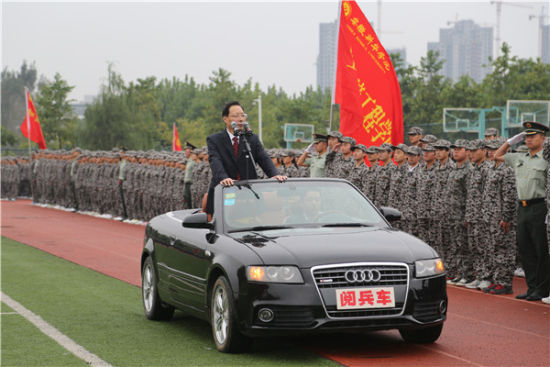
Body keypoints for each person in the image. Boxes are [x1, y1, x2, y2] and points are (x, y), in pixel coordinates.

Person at [495, 121, 549, 301]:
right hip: (522, 208)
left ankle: (542, 289)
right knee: (525, 249)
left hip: (539, 207)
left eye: (533, 136)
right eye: (526, 136)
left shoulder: (545, 159)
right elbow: (497, 155)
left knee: (541, 250)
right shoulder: (520, 157)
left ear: (543, 138)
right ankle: (532, 287)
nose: (528, 139)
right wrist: (510, 142)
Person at [205, 101, 286, 216]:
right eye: (235, 116)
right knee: (225, 218)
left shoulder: (251, 138)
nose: (240, 119)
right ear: (225, 119)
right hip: (226, 191)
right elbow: (215, 161)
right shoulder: (215, 140)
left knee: (253, 223)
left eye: (242, 115)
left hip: (249, 193)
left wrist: (274, 174)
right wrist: (224, 178)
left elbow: (263, 158)